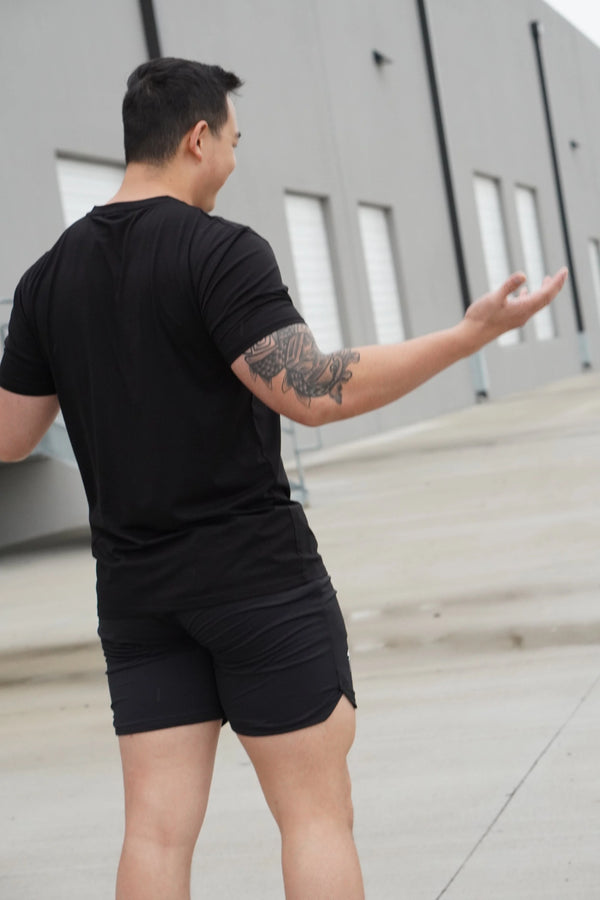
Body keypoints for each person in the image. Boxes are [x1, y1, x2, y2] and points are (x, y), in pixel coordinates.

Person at [0, 57, 568, 900]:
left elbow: (11, 436)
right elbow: (316, 390)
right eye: (234, 141)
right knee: (314, 819)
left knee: (155, 833)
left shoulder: (47, 277)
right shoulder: (219, 251)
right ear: (198, 138)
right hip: (256, 582)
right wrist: (466, 338)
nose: (234, 160)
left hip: (137, 595)